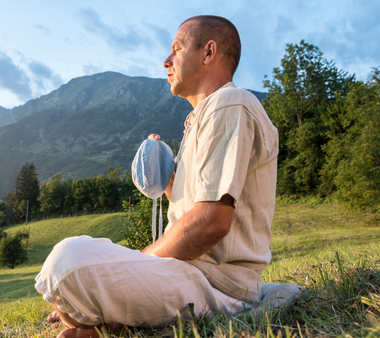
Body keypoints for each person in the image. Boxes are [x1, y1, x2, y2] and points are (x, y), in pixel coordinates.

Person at [36, 15, 281, 338]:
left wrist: (139, 261)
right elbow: (193, 211)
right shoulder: (203, 118)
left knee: (67, 261)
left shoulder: (229, 103)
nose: (166, 61)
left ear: (208, 53)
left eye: (177, 49)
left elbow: (211, 222)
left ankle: (95, 318)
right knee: (75, 264)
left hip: (218, 285)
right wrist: (168, 182)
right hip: (190, 273)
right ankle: (100, 320)